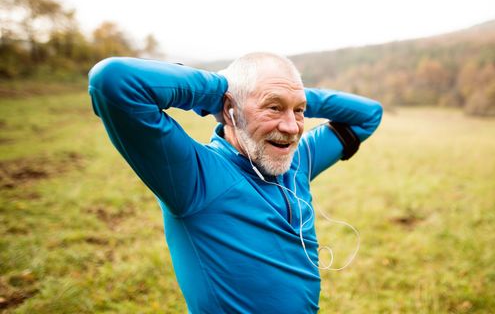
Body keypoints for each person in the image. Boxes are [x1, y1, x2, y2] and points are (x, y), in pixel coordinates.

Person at [87, 52, 382, 313]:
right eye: (273, 108)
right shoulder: (197, 177)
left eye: (299, 111)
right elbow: (113, 80)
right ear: (230, 108)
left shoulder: (297, 162)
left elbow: (369, 115)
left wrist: (289, 94)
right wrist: (221, 91)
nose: (292, 128)